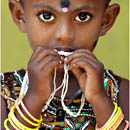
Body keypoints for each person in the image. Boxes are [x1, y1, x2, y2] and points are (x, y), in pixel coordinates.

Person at [1, 0, 129, 129]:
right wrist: (34, 98)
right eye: (46, 16)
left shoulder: (121, 91)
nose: (65, 35)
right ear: (20, 16)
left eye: (82, 16)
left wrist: (99, 99)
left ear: (106, 20)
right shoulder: (4, 91)